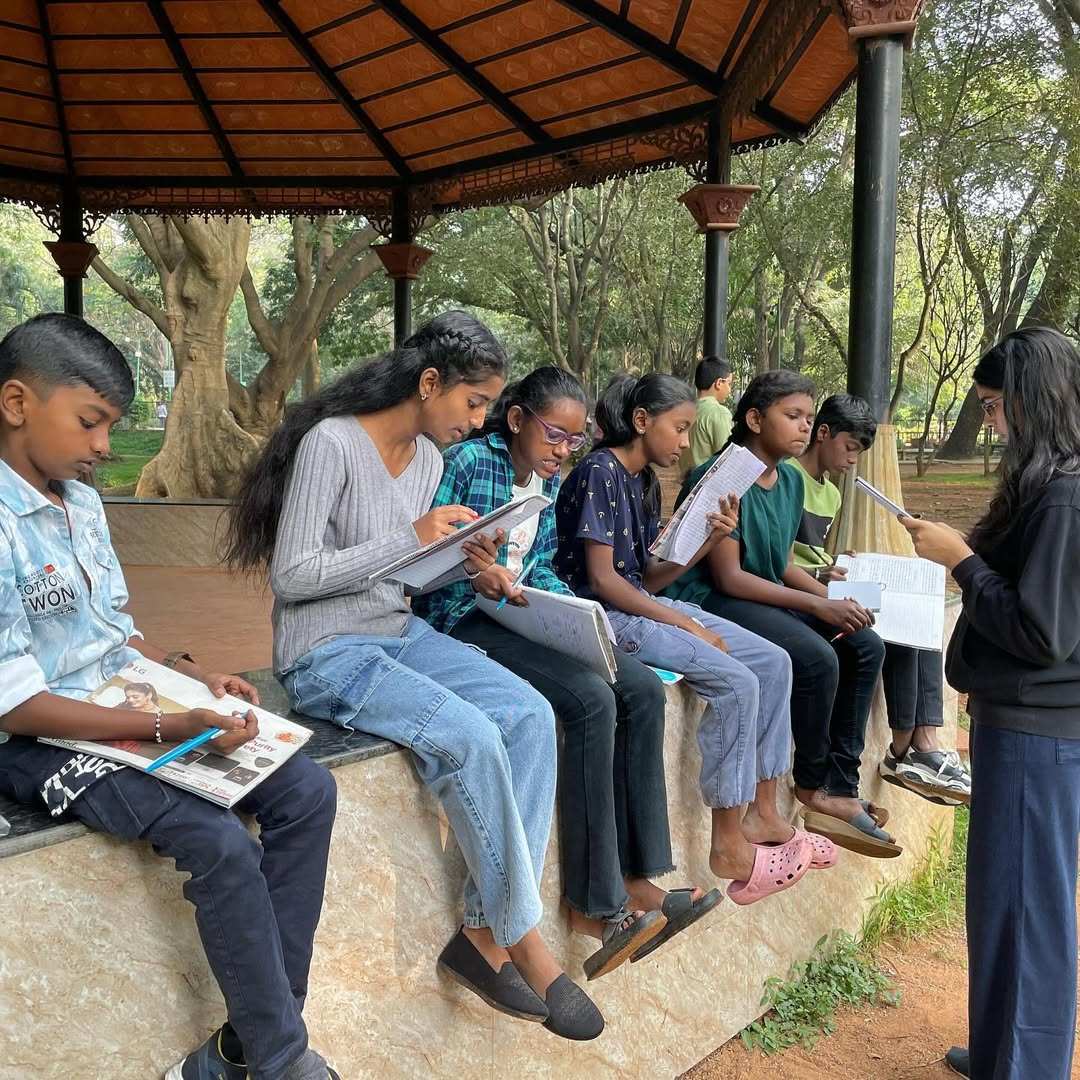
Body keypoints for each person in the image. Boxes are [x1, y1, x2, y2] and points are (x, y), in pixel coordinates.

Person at [225, 312, 603, 1041]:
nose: (481, 419)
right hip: (324, 651)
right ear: (429, 383)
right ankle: (524, 944)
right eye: (474, 402)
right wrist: (410, 538)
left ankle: (482, 939)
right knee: (466, 735)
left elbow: (399, 580)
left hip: (397, 631)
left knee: (528, 715)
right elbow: (295, 575)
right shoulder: (332, 444)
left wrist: (462, 556)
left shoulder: (429, 459)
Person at [0, 314, 341, 1080]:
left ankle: (245, 1048)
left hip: (129, 704)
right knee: (218, 843)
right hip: (34, 742)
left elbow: (113, 634)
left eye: (109, 427)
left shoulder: (81, 506)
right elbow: (14, 704)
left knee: (308, 790)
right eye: (90, 424)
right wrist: (165, 723)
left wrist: (191, 675)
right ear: (17, 402)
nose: (101, 447)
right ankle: (281, 1060)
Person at [413, 366, 722, 980]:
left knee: (636, 686)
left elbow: (546, 566)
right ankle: (595, 905)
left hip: (525, 615)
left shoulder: (546, 485)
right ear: (518, 417)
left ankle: (640, 880)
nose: (562, 453)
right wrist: (476, 572)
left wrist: (577, 616)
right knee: (587, 701)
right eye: (554, 436)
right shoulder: (471, 463)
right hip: (463, 617)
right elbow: (424, 562)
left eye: (573, 443)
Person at [555, 373, 824, 905]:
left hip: (642, 603)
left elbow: (650, 577)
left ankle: (762, 812)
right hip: (607, 616)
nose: (683, 443)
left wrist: (709, 539)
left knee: (773, 663)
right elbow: (605, 583)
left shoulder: (643, 481)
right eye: (679, 429)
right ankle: (727, 842)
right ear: (640, 422)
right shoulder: (598, 472)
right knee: (735, 682)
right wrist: (683, 622)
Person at [903, 328, 1080, 1080]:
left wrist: (961, 562)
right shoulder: (1048, 486)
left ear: (1033, 401)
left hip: (1040, 731)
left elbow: (1044, 634)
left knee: (1028, 909)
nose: (994, 423)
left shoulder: (1068, 497)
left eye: (997, 407)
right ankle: (1003, 1049)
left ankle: (1024, 1066)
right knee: (1003, 903)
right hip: (1021, 725)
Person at [664, 371, 899, 859]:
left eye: (809, 419)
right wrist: (817, 605)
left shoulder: (789, 479)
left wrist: (832, 603)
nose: (804, 429)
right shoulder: (718, 476)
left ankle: (841, 778)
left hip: (761, 592)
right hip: (714, 599)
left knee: (864, 644)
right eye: (792, 416)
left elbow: (783, 563)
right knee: (815, 658)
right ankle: (812, 786)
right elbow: (729, 577)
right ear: (754, 418)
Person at [791, 393, 971, 805]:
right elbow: (778, 557)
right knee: (885, 628)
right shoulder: (788, 478)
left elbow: (812, 548)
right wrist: (822, 572)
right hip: (805, 590)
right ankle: (908, 744)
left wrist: (840, 562)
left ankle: (921, 738)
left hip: (830, 579)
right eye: (849, 448)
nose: (852, 460)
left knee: (919, 607)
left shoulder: (831, 493)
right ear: (824, 434)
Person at [680, 355, 734, 473]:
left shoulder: (685, 410)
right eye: (729, 384)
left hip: (686, 484)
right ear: (719, 383)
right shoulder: (719, 413)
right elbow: (727, 459)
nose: (730, 390)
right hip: (708, 487)